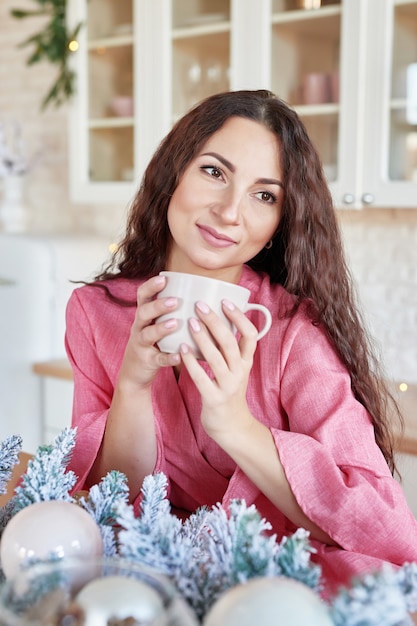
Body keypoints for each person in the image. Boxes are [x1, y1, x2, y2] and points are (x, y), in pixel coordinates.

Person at [65, 89, 417, 598]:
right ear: (173, 174)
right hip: (145, 578)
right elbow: (111, 501)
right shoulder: (95, 312)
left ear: (278, 225)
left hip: (267, 586)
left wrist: (235, 424)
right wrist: (134, 385)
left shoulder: (294, 331)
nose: (231, 211)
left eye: (264, 195)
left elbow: (385, 527)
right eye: (214, 171)